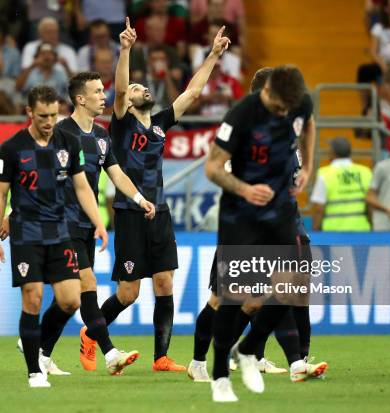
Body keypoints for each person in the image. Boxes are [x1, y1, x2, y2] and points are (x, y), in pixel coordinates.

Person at [97, 18, 229, 373]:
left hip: (161, 212)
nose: (141, 89)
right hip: (127, 211)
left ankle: (161, 358)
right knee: (128, 293)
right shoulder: (122, 121)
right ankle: (91, 333)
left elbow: (192, 92)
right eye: (138, 87)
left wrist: (213, 55)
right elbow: (121, 91)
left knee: (164, 281)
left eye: (143, 87)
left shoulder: (159, 125)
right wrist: (125, 50)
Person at [187, 67, 318, 386]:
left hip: (278, 219)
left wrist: (309, 167)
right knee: (222, 300)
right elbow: (215, 169)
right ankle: (198, 361)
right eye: (277, 109)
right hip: (241, 222)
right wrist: (246, 189)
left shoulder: (297, 106)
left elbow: (310, 124)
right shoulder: (241, 121)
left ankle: (294, 362)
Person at [0, 85, 108, 388]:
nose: (49, 121)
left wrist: (99, 223)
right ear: (29, 112)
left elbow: (82, 187)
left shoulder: (68, 142)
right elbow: (0, 197)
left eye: (54, 115)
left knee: (70, 301)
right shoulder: (12, 149)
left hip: (60, 232)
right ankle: (34, 371)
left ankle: (36, 344)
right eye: (43, 115)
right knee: (33, 298)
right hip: (27, 234)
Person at [57, 72, 156, 374]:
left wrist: (140, 200)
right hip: (61, 221)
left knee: (69, 299)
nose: (104, 96)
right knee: (87, 285)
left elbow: (117, 174)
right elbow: (42, 175)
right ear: (80, 99)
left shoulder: (101, 137)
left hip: (87, 224)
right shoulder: (61, 133)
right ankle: (110, 353)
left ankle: (41, 352)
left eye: (103, 90)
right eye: (98, 92)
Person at [310, 137, 373, 231]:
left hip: (333, 232)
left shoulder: (325, 174)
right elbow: (370, 205)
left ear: (332, 152)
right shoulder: (365, 172)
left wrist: (315, 232)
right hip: (361, 230)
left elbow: (319, 208)